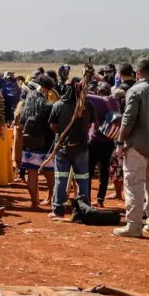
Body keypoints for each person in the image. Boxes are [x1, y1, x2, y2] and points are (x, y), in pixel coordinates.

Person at [114, 58, 149, 238]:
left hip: (137, 145)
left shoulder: (135, 91)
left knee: (133, 185)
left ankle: (134, 225)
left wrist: (120, 142)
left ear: (137, 73)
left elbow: (128, 119)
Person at [48, 79, 95, 218]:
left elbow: (53, 126)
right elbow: (89, 125)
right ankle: (84, 209)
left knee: (60, 179)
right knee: (83, 179)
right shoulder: (88, 105)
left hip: (62, 148)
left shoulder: (58, 105)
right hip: (81, 148)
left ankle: (58, 209)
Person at [18, 79, 56, 208]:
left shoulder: (25, 109)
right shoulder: (48, 107)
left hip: (29, 145)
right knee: (49, 174)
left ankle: (34, 202)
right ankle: (52, 199)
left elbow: (21, 126)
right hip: (47, 145)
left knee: (31, 174)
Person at [87, 82, 118, 208]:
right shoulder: (114, 102)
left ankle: (87, 199)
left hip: (94, 140)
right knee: (104, 172)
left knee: (88, 172)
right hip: (109, 140)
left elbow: (84, 95)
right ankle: (100, 199)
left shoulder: (98, 101)